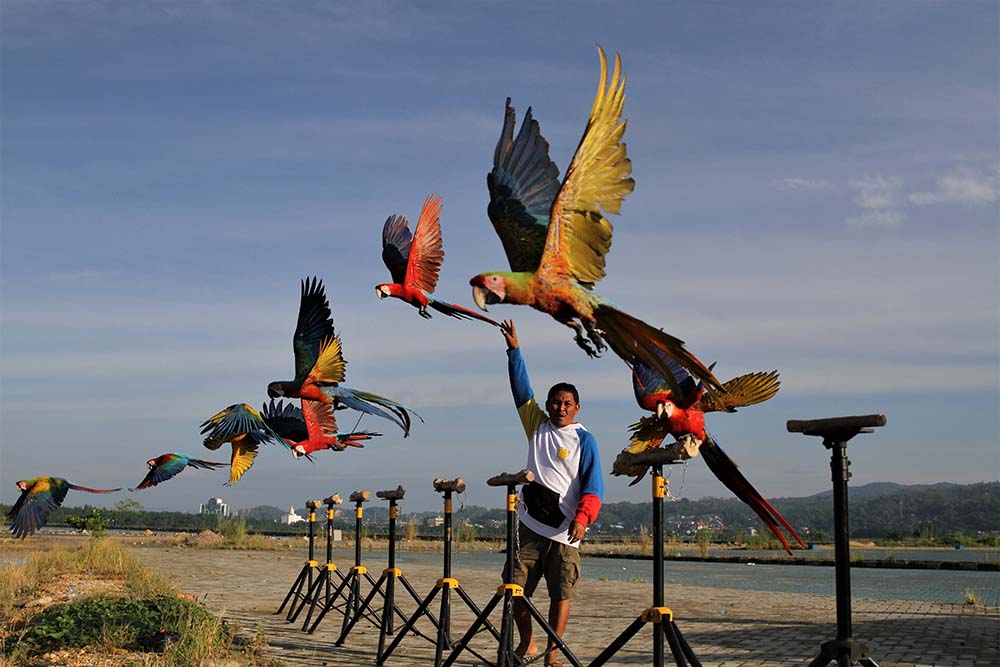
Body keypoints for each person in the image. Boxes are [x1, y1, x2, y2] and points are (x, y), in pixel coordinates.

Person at [500, 319, 603, 666]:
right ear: (547, 404)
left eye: (567, 403)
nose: (560, 407)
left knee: (561, 593)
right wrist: (514, 350)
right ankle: (527, 644)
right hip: (529, 525)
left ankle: (553, 651)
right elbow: (520, 389)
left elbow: (593, 486)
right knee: (515, 590)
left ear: (576, 408)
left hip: (565, 532)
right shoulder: (536, 426)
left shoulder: (584, 440)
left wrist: (583, 519)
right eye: (555, 402)